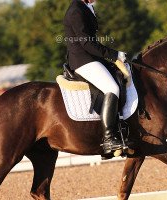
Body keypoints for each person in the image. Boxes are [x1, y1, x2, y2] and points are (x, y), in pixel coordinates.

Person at [63, 0, 127, 154]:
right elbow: (87, 43)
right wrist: (114, 55)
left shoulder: (85, 6)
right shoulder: (76, 11)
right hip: (83, 60)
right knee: (112, 88)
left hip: (91, 58)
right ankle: (109, 139)